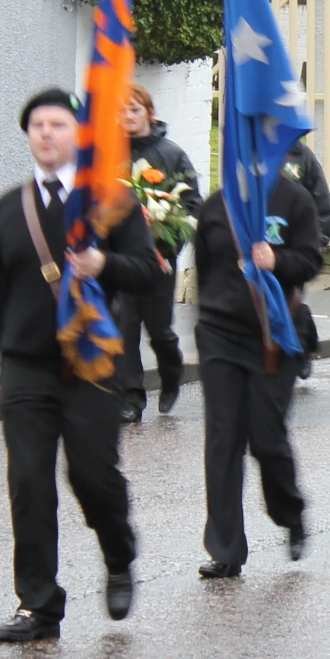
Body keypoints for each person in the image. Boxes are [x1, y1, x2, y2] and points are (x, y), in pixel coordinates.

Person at [0, 88, 158, 640]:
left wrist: (106, 262)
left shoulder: (110, 201)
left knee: (91, 476)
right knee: (28, 481)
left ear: (78, 135)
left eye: (57, 124)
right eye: (37, 125)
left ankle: (118, 554)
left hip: (92, 365)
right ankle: (39, 604)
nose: (46, 133)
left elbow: (147, 270)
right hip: (26, 367)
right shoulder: (10, 208)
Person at [190, 143, 322, 578]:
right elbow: (205, 267)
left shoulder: (295, 200)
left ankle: (290, 512)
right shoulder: (217, 204)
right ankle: (226, 548)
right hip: (221, 336)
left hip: (274, 336)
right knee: (223, 438)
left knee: (266, 437)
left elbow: (311, 260)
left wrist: (277, 259)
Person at [120, 84, 201, 420]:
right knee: (123, 327)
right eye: (122, 109)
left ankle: (171, 374)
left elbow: (191, 205)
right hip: (120, 262)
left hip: (158, 261)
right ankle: (131, 399)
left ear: (149, 113)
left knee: (160, 331)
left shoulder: (171, 155)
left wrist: (166, 235)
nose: (127, 116)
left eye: (135, 109)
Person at [281, 134, 330, 377]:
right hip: (264, 244)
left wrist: (319, 237)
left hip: (295, 245)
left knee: (292, 299)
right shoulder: (254, 153)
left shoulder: (304, 157)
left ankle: (301, 349)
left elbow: (320, 198)